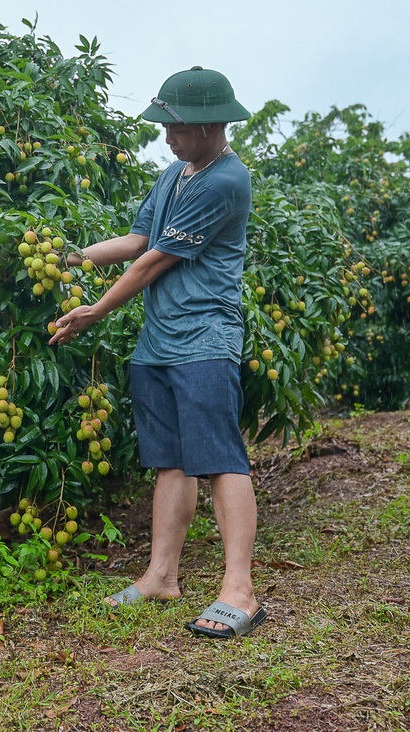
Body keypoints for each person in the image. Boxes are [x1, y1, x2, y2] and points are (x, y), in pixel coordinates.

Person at [50, 67, 266, 639]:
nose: (167, 137)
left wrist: (97, 310)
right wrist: (69, 258)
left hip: (204, 340)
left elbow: (151, 265)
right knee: (169, 460)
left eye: (176, 127)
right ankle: (161, 576)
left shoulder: (226, 181)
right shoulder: (175, 174)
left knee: (219, 459)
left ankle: (239, 590)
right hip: (159, 342)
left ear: (210, 124)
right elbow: (137, 241)